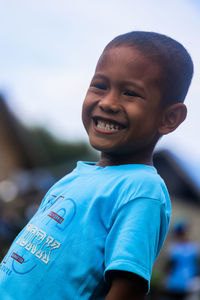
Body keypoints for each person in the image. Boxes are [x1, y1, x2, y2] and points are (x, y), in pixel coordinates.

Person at [0, 31, 193, 299]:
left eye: (130, 93)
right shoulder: (75, 176)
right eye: (100, 86)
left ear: (169, 117)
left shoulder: (143, 190)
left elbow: (129, 286)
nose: (108, 102)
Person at [164, 221, 200, 300]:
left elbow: (197, 264)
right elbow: (168, 266)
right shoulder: (174, 248)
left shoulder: (194, 247)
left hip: (189, 284)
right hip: (174, 284)